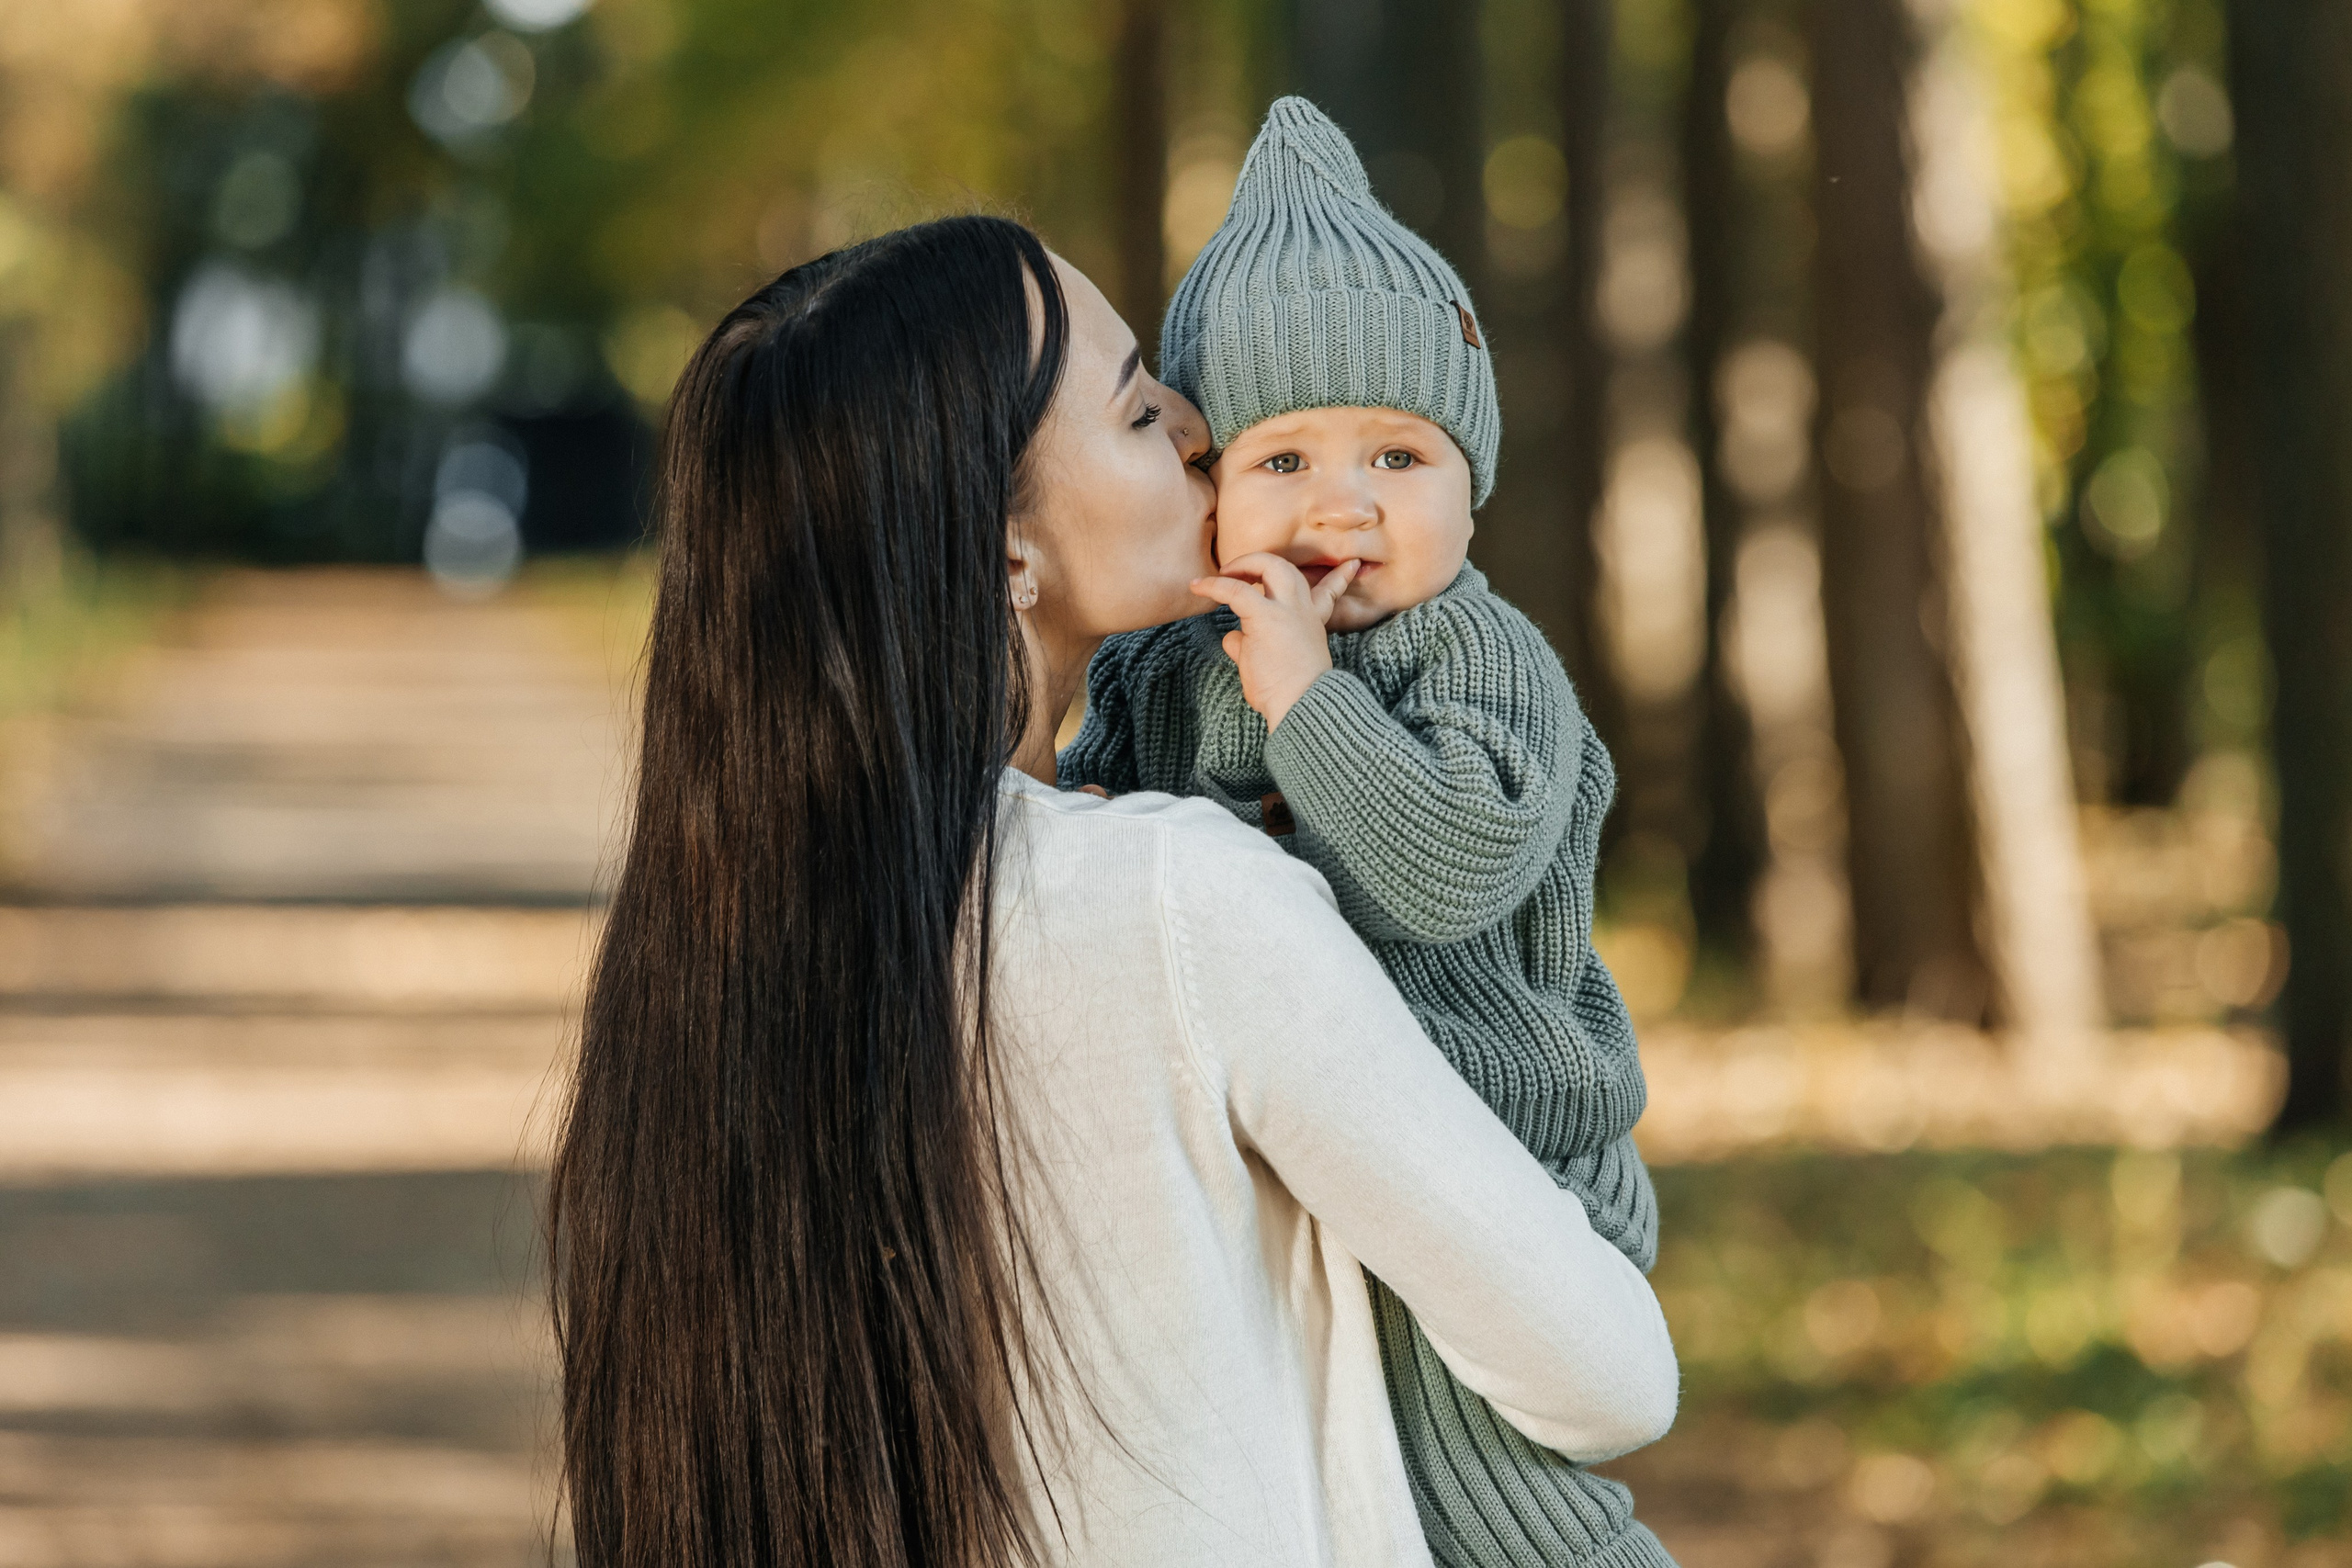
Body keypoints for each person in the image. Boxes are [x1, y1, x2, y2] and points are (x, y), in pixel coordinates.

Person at [548, 211, 1677, 1568]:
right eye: (1144, 411)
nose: (1204, 431)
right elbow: (1607, 1374)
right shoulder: (1181, 898)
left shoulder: (710, 958)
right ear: (1000, 552)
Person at [1060, 98, 1670, 1568]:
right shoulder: (1168, 665)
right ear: (1204, 493)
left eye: (1399, 459)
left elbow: (1451, 865)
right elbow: (1099, 842)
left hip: (1505, 1145)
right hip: (1320, 1149)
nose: (1342, 506)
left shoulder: (1479, 655)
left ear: (1475, 487)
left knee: (1495, 1507)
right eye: (1282, 464)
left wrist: (1309, 703)